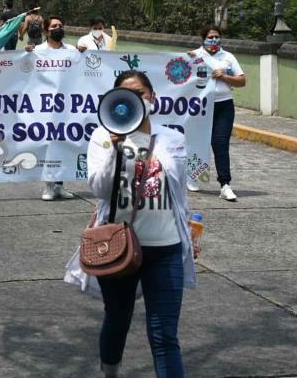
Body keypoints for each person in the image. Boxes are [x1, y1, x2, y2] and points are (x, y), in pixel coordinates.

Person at [87, 70, 197, 378]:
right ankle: (110, 371)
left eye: (142, 93)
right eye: (127, 94)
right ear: (115, 101)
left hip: (166, 249)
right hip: (119, 248)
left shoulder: (172, 138)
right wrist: (116, 148)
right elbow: (98, 188)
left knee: (164, 335)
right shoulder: (102, 137)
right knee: (118, 318)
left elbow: (178, 193)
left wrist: (189, 233)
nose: (136, 99)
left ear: (153, 98)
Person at [188, 25, 246, 201]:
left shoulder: (228, 57)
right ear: (203, 39)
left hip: (224, 106)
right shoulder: (194, 56)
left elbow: (242, 81)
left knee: (220, 143)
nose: (214, 40)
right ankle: (191, 176)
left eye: (217, 37)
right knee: (197, 142)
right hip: (201, 107)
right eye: (210, 37)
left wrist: (225, 77)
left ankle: (225, 184)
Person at [26, 15, 76, 200]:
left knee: (62, 143)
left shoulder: (72, 50)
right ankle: (48, 186)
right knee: (48, 144)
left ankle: (60, 185)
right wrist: (26, 54)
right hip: (44, 106)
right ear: (46, 31)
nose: (58, 28)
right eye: (54, 26)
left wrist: (84, 53)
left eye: (60, 25)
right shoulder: (37, 50)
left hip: (66, 106)